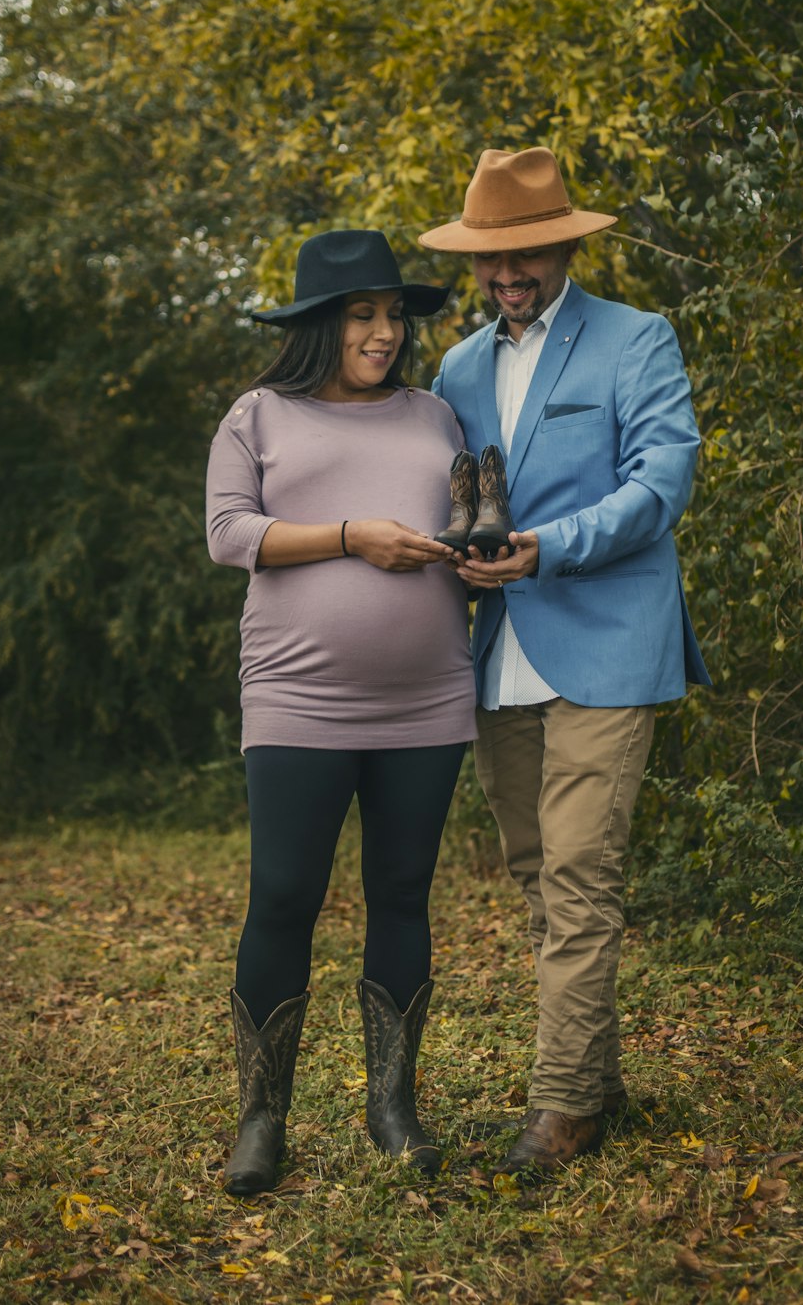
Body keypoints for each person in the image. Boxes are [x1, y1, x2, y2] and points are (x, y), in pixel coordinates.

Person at [420, 148, 710, 1174]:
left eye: (528, 252)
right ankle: (601, 1080)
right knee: (542, 879)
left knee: (583, 874)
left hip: (608, 641)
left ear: (564, 246)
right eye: (493, 258)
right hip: (498, 652)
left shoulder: (636, 339)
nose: (509, 274)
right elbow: (449, 497)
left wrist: (555, 544)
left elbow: (662, 480)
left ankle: (560, 1110)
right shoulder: (454, 366)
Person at [205, 229, 476, 1194]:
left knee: (403, 894)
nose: (384, 332)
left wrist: (473, 557)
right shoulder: (259, 414)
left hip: (429, 697)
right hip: (295, 695)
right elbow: (229, 533)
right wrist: (354, 537)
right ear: (322, 324)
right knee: (283, 895)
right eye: (363, 315)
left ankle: (392, 1105)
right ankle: (260, 1119)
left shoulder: (438, 416)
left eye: (393, 315)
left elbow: (466, 529)